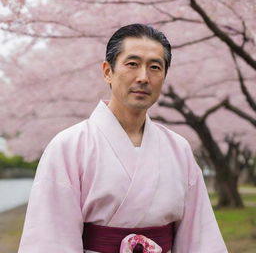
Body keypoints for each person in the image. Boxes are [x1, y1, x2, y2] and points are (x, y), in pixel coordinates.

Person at [18, 24, 227, 253]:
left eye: (155, 67)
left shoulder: (179, 148)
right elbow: (51, 238)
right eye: (132, 64)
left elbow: (200, 237)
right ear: (108, 71)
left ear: (164, 76)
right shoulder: (69, 146)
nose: (143, 77)